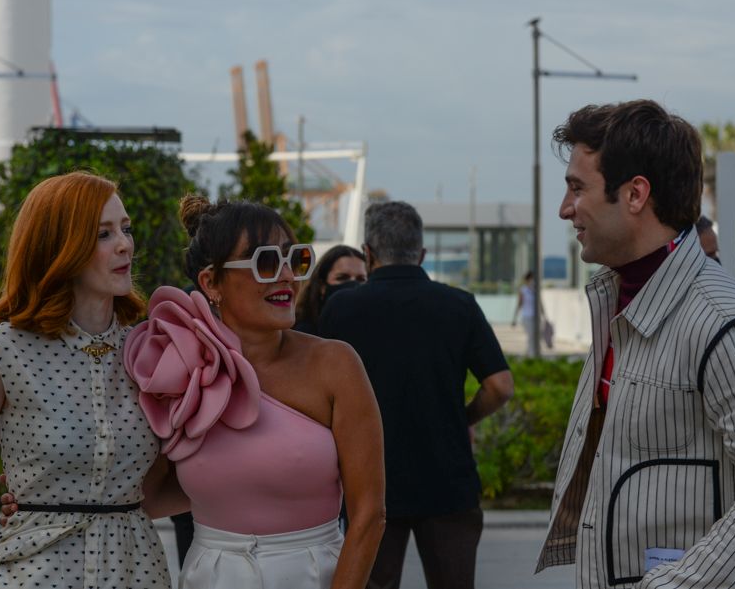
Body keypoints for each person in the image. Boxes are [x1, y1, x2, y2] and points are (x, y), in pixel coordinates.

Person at [535, 100, 735, 588]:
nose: (565, 209)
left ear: (635, 194)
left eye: (577, 188)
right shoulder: (617, 301)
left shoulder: (723, 321)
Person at [126, 197, 386, 589]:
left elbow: (369, 514)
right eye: (265, 262)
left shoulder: (336, 365)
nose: (287, 276)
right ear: (211, 283)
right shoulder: (179, 372)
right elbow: (148, 496)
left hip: (315, 576)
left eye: (295, 259)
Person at [0, 172, 173, 589]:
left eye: (126, 229)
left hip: (137, 573)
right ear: (60, 248)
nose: (125, 245)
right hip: (33, 574)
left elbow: (172, 482)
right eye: (103, 234)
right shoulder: (4, 350)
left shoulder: (148, 351)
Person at [320, 200, 514, 589]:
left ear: (369, 254)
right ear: (421, 254)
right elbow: (500, 386)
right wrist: (462, 418)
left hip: (369, 484)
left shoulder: (342, 308)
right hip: (448, 482)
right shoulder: (459, 305)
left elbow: (321, 391)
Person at [293, 244, 368, 333]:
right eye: (342, 278)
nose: (353, 284)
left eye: (361, 279)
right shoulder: (303, 333)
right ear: (322, 286)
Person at [511, 270, 553, 355]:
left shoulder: (535, 290)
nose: (532, 281)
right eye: (531, 279)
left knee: (537, 335)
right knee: (531, 335)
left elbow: (540, 304)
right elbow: (519, 305)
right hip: (527, 317)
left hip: (536, 317)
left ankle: (530, 353)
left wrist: (545, 316)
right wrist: (514, 319)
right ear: (527, 279)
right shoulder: (523, 290)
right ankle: (532, 354)